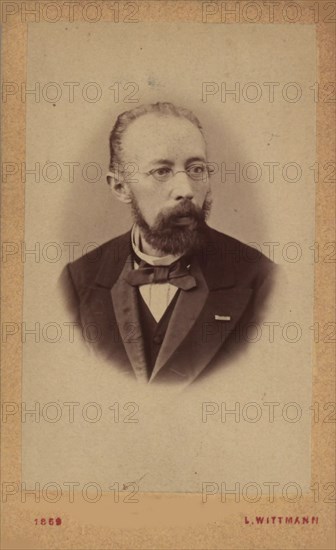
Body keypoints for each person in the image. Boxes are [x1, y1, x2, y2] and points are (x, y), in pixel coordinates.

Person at [61, 102, 275, 385]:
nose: (186, 190)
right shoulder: (79, 282)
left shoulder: (261, 280)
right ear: (120, 187)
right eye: (161, 171)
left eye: (196, 169)